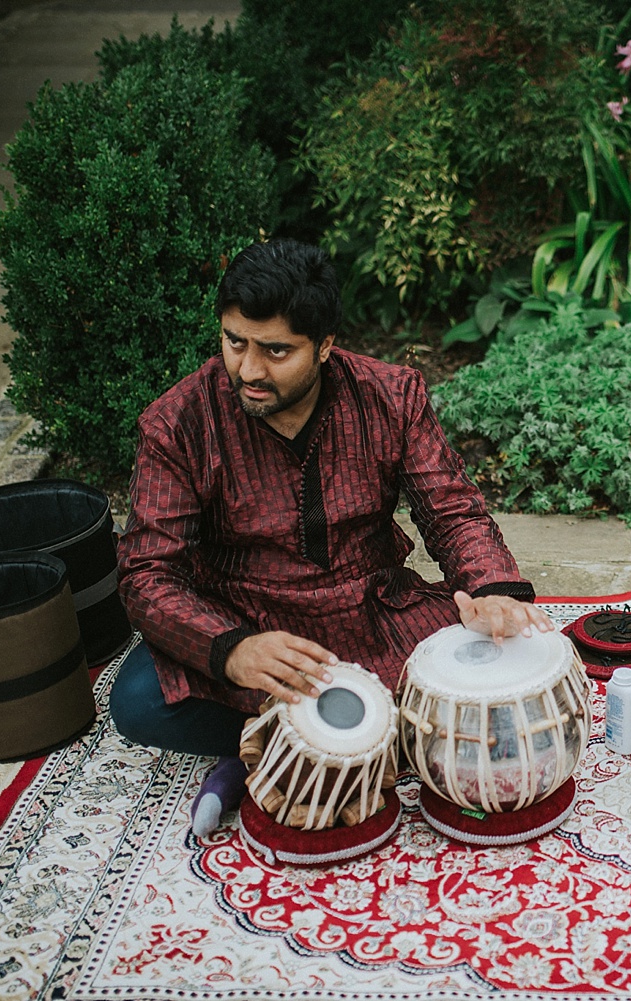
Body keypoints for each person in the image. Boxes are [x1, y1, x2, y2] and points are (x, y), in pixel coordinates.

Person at [113, 239, 551, 836]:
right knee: (138, 701)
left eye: (275, 350)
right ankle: (330, 737)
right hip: (246, 613)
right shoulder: (180, 422)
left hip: (370, 608)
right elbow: (147, 574)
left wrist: (493, 584)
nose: (248, 369)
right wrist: (233, 650)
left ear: (324, 346)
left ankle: (274, 751)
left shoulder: (391, 395)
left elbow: (451, 509)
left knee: (498, 658)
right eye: (234, 341)